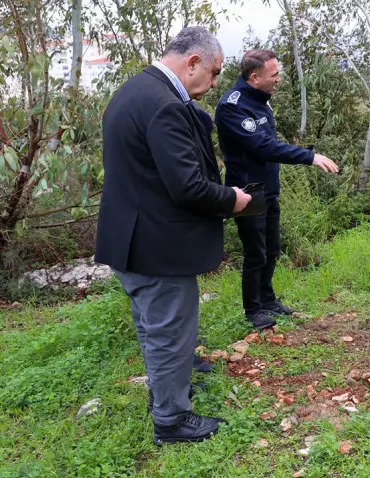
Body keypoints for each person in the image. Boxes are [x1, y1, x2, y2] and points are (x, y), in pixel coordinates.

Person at [95, 27, 251, 445]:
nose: (215, 83)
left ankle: (165, 393)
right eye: (214, 72)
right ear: (192, 62)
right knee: (168, 331)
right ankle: (172, 421)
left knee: (152, 327)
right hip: (157, 245)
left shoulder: (133, 91)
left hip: (129, 237)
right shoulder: (164, 104)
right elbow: (187, 187)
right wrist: (231, 200)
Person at [215, 49, 338, 331]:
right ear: (255, 77)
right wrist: (309, 156)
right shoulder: (232, 107)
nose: (279, 79)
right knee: (255, 252)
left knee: (272, 248)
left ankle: (268, 300)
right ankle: (253, 309)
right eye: (274, 74)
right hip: (248, 191)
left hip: (269, 188)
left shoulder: (262, 102)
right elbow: (262, 146)